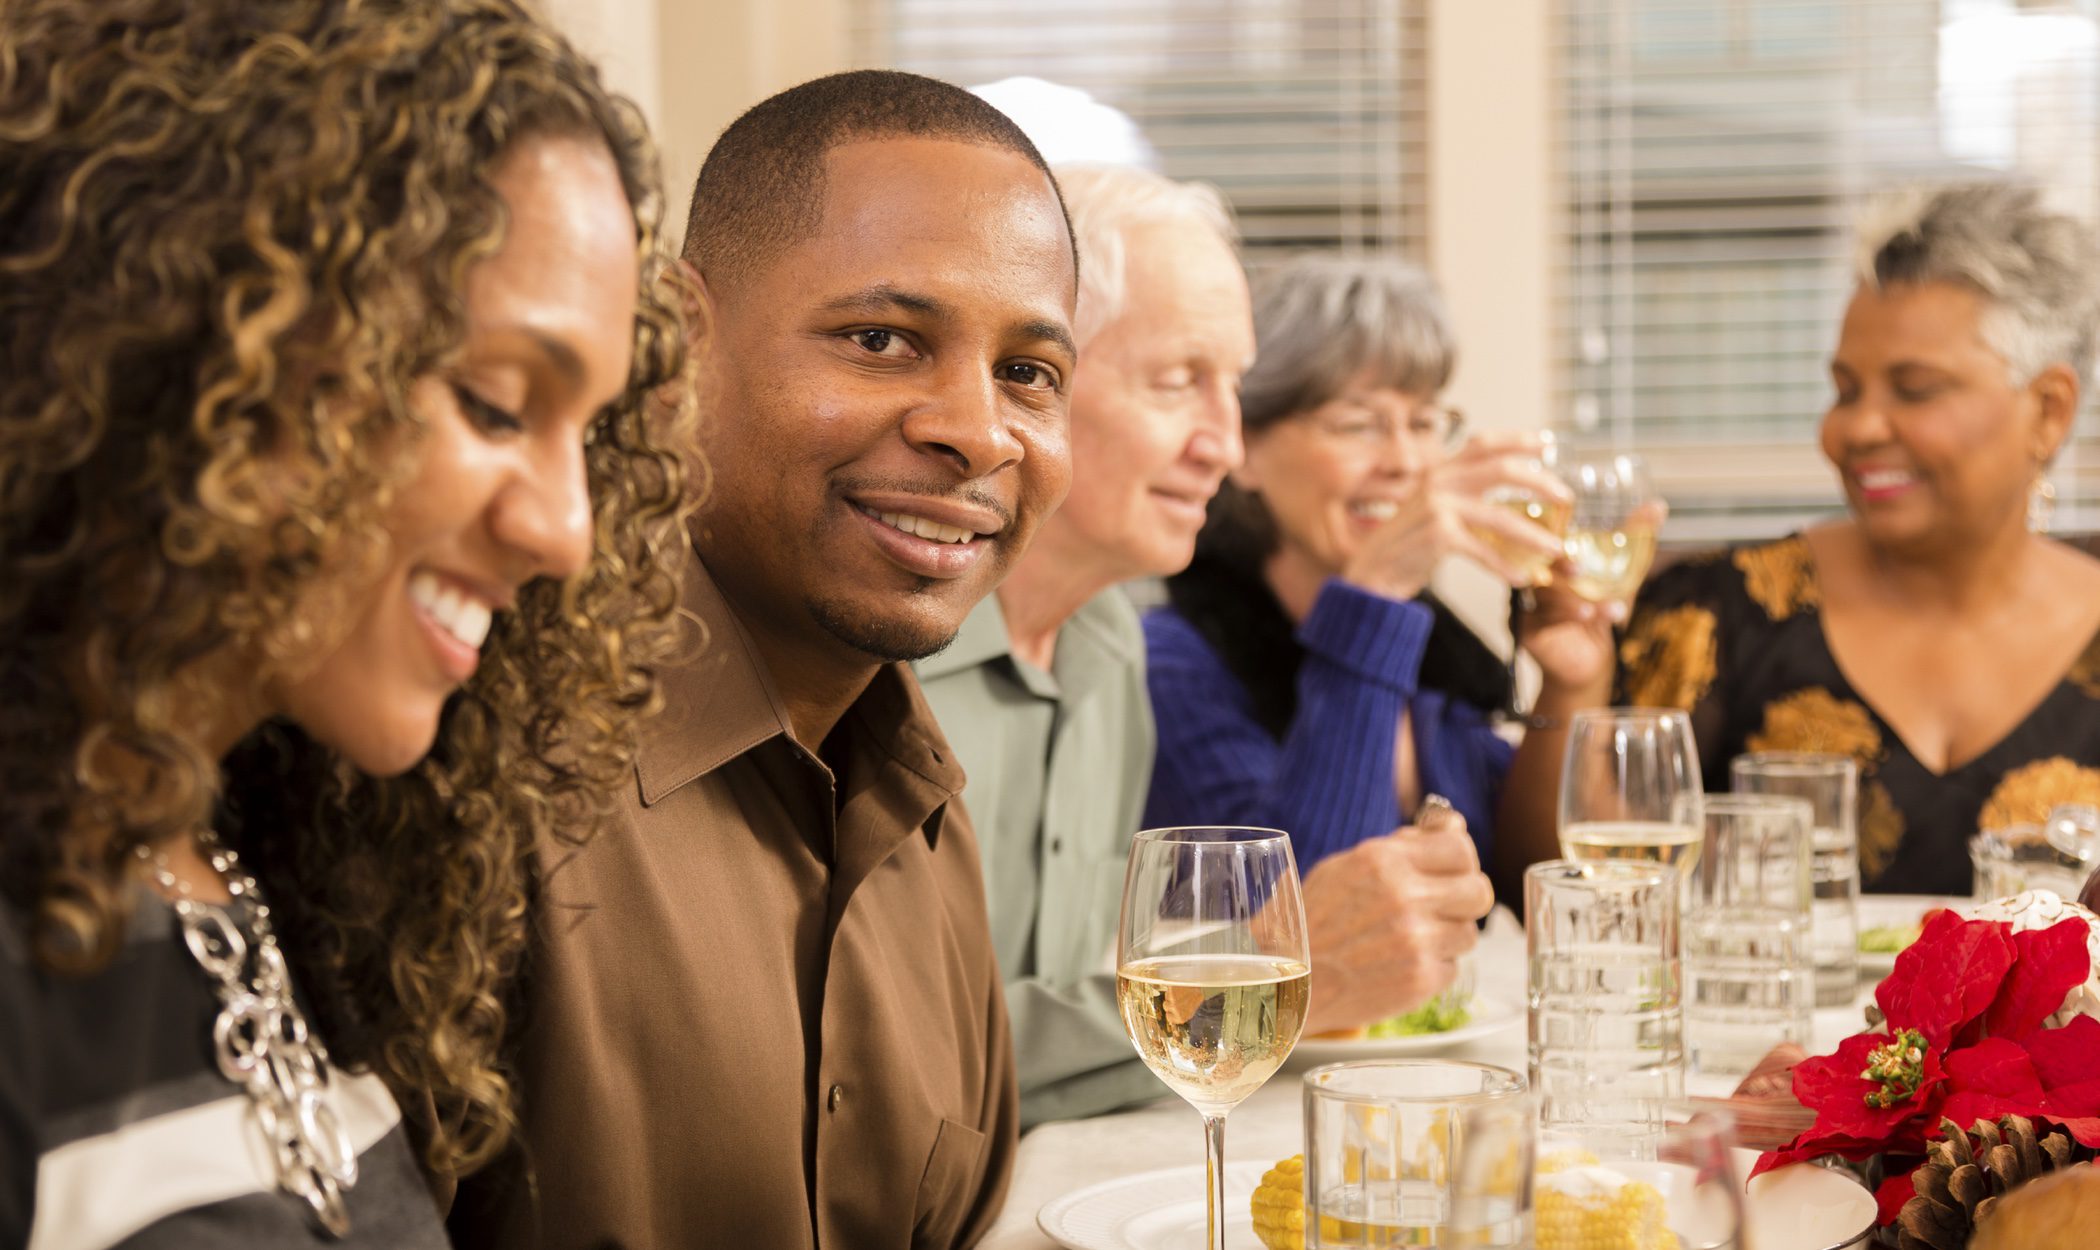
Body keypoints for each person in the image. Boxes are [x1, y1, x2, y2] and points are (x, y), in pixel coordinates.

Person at [0, 1, 690, 1244]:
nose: (567, 531)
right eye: (492, 402)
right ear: (204, 333)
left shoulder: (282, 883)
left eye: (585, 436)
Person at [451, 71, 1076, 1250]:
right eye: (883, 339)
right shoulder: (479, 762)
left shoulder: (925, 814)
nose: (979, 430)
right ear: (680, 343)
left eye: (1029, 373)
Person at [918, 167, 1500, 1125]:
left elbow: (1058, 1011)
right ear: (1032, 381)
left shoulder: (1105, 648)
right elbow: (875, 1069)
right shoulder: (877, 667)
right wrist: (1276, 978)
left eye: (1231, 388)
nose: (1226, 448)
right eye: (1178, 380)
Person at [1611, 183, 2100, 895]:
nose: (1856, 430)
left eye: (1916, 389)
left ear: (2048, 413)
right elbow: (1579, 893)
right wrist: (1566, 678)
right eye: (1845, 390)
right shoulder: (1717, 613)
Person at [1142, 256, 1614, 901]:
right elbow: (1293, 936)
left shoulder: (1432, 657)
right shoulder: (1170, 664)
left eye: (1423, 423)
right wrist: (1372, 601)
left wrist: (1569, 686)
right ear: (1242, 450)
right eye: (1358, 424)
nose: (1404, 463)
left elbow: (1544, 883)